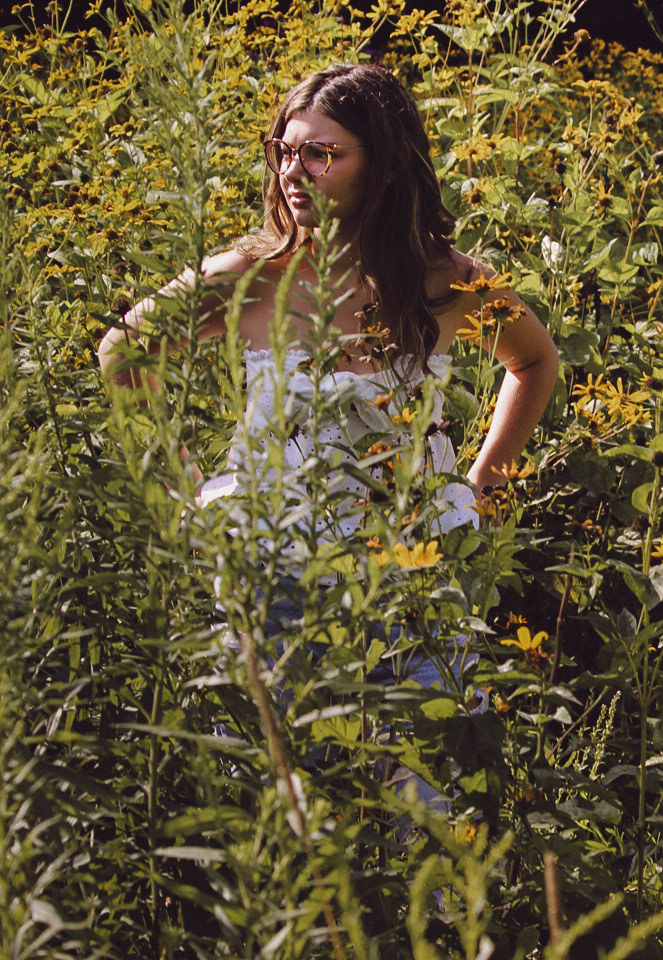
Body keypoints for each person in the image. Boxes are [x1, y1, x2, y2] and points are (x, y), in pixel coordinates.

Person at [96, 63, 558, 795]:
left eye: (321, 153)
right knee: (289, 807)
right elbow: (122, 354)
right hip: (278, 578)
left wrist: (485, 483)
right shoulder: (249, 275)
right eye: (284, 150)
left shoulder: (444, 280)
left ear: (386, 163)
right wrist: (190, 490)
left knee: (425, 800)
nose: (293, 171)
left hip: (418, 578)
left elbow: (533, 362)